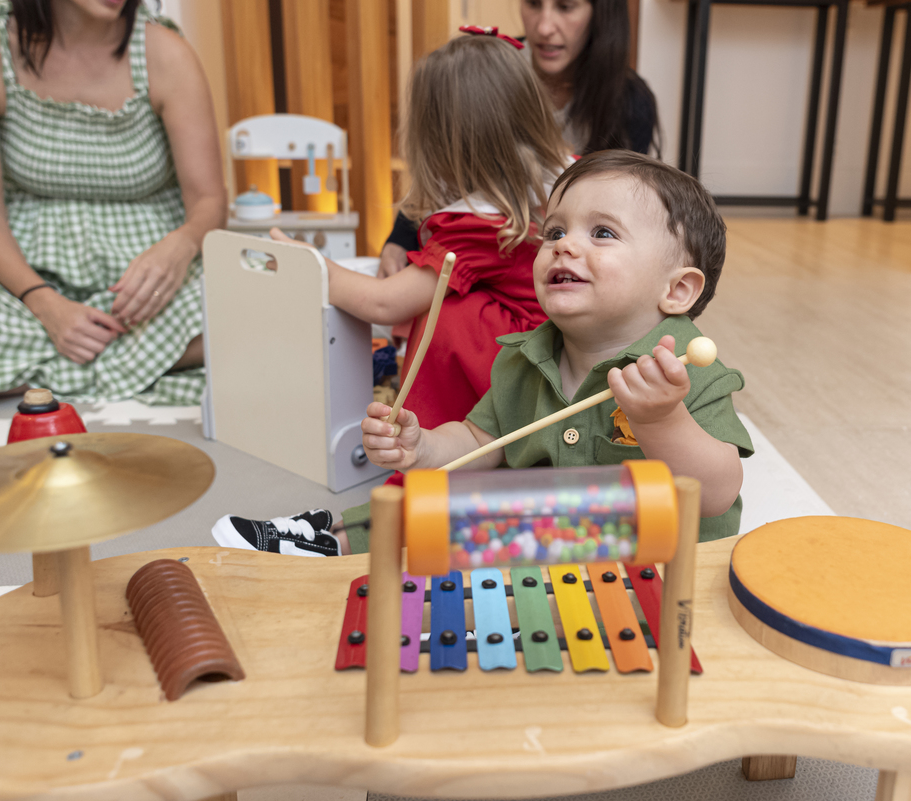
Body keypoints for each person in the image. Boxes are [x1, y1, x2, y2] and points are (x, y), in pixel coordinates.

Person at [211, 31, 570, 556]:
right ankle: (376, 508)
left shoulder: (480, 220)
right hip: (551, 354)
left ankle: (384, 505)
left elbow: (384, 303)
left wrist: (311, 265)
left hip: (523, 368)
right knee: (448, 302)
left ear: (441, 141)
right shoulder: (556, 181)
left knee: (447, 311)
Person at [359, 150, 751, 546]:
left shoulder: (688, 370)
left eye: (602, 233)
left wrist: (662, 420)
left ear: (676, 289)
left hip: (661, 566)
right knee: (413, 528)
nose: (564, 246)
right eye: (555, 232)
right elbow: (481, 442)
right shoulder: (522, 358)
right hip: (554, 550)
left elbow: (717, 494)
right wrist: (423, 448)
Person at [0, 0, 225, 415]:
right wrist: (45, 305)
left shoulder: (165, 51)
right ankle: (140, 360)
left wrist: (180, 247)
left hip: (150, 297)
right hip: (19, 289)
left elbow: (209, 200)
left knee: (274, 304)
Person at [379, 0, 659, 279]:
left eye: (565, 7)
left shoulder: (630, 103)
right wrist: (399, 238)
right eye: (534, 4)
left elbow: (614, 220)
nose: (544, 26)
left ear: (601, 15)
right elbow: (443, 162)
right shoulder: (493, 67)